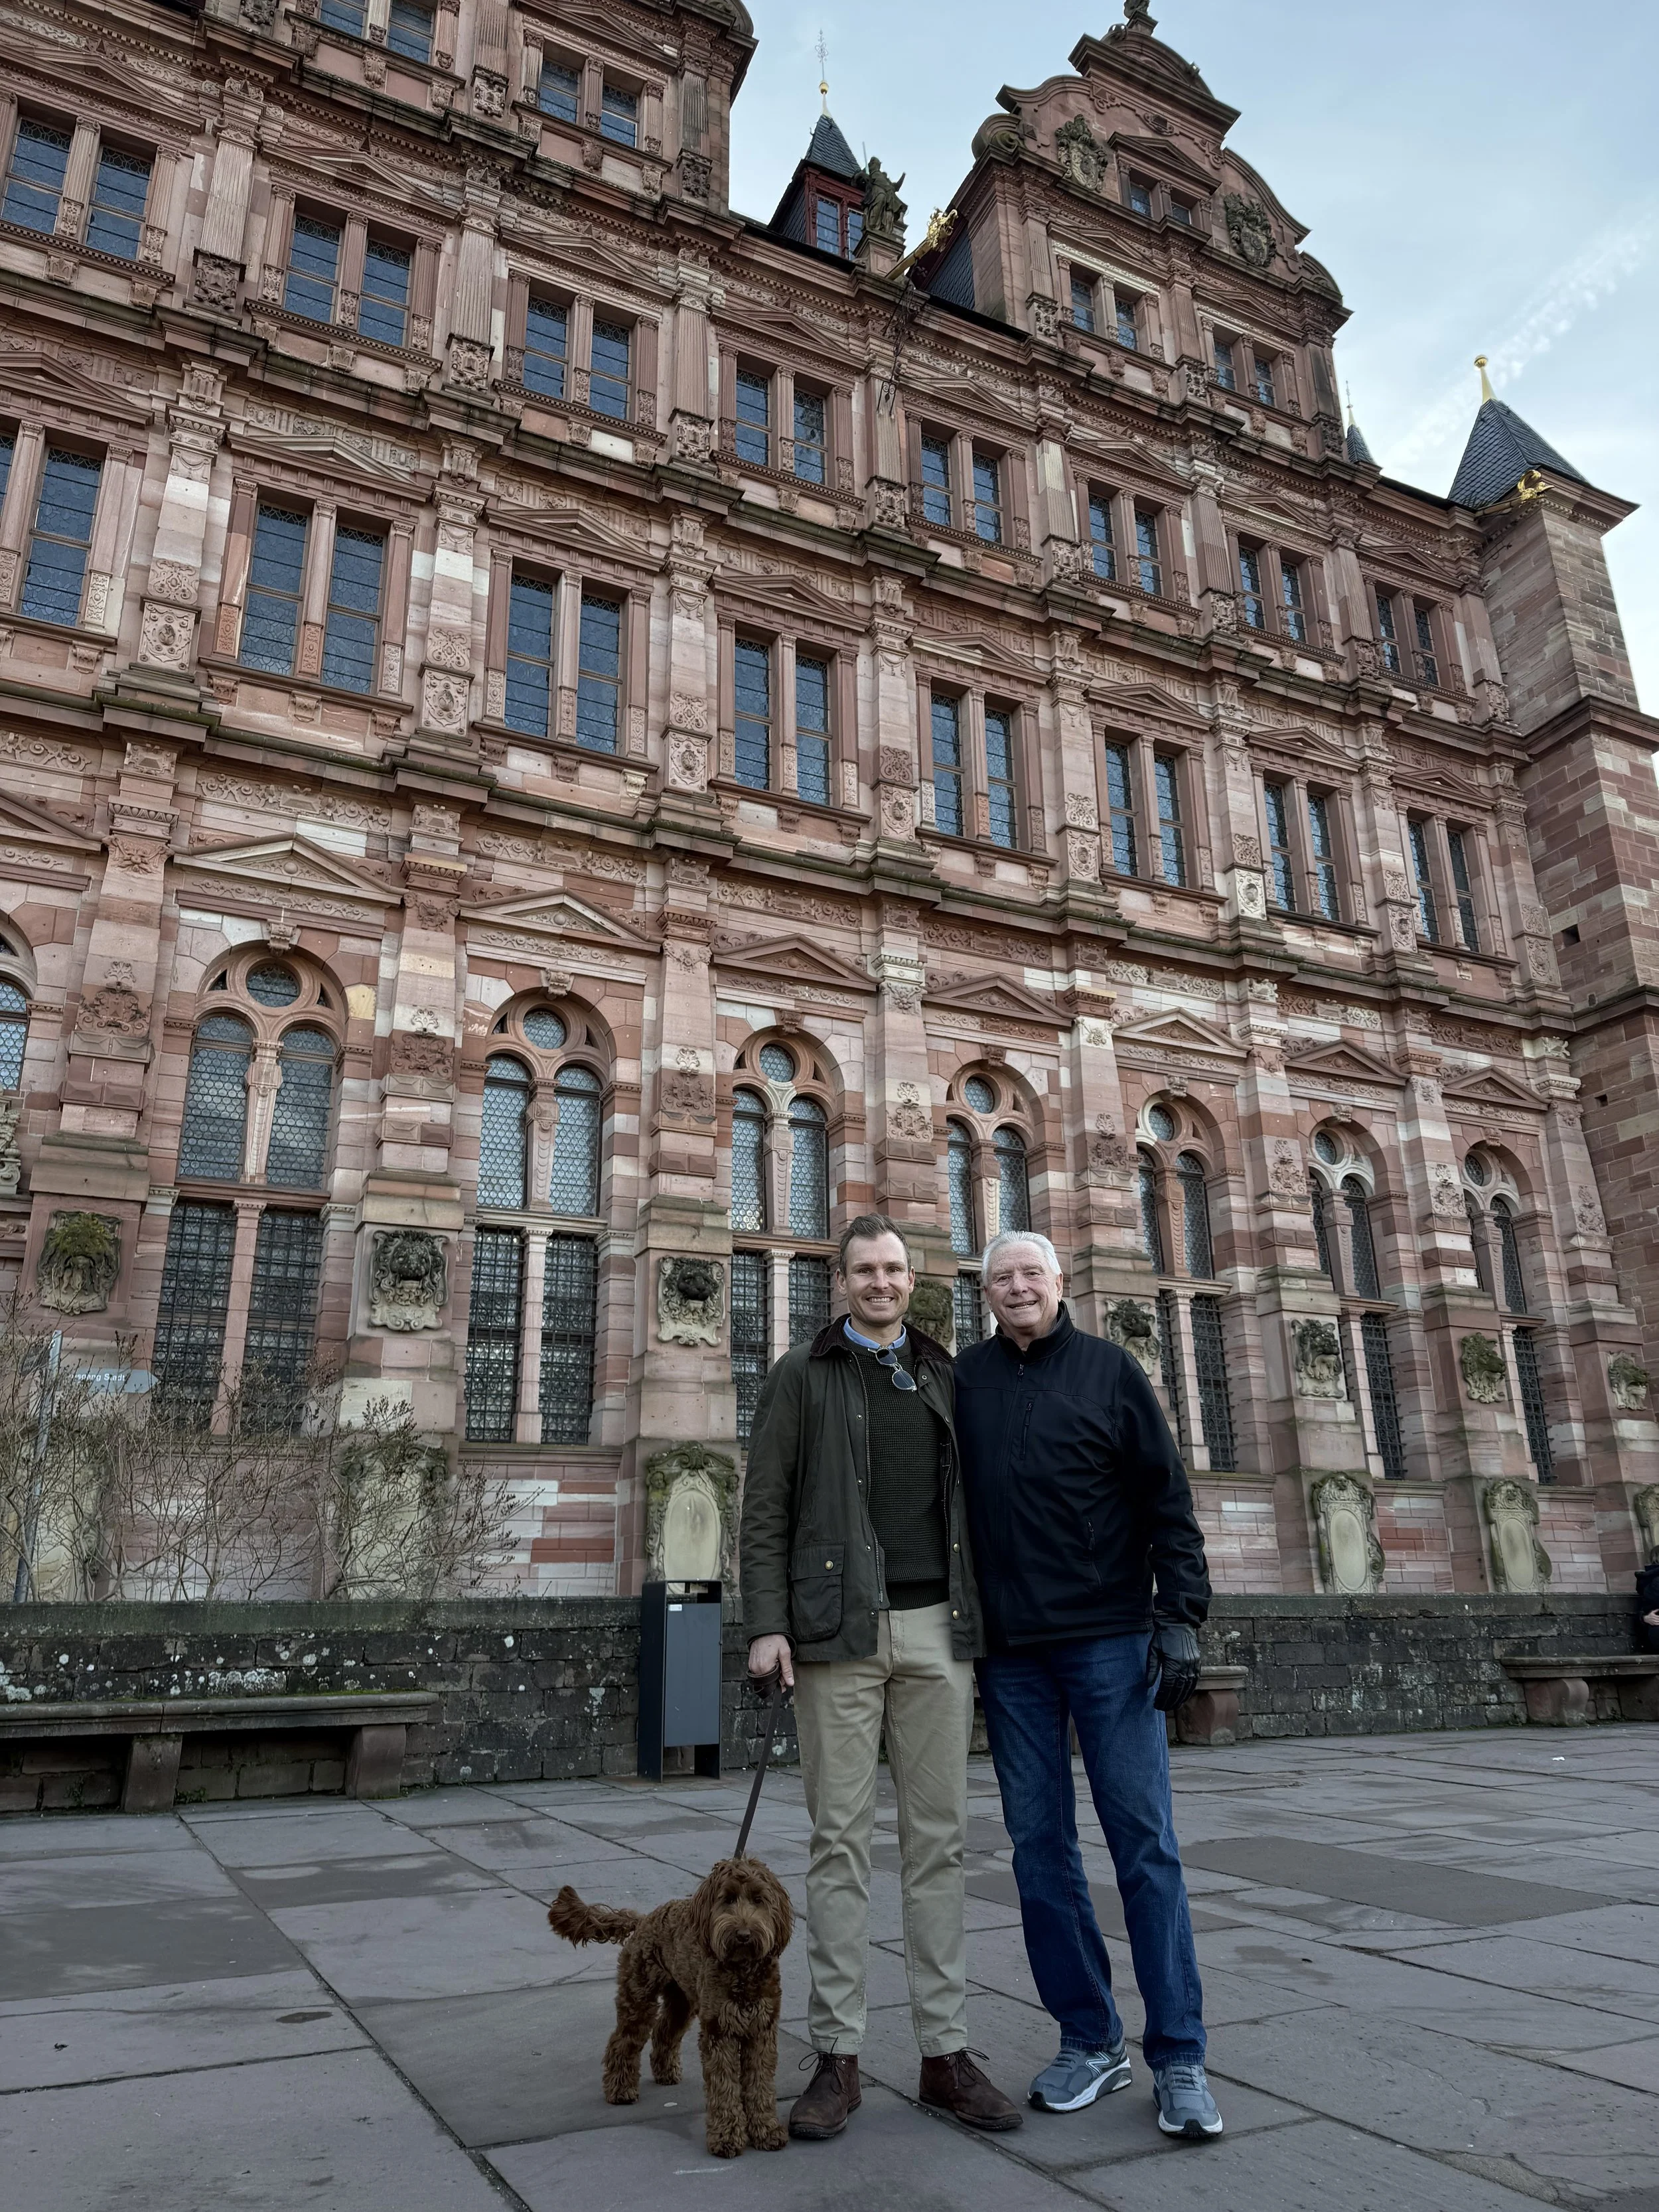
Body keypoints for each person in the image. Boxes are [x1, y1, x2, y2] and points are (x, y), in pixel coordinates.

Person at [739, 1213, 1021, 2142]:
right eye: (865, 1269)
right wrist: (767, 1626)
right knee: (839, 1844)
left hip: (940, 1629)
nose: (881, 1282)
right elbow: (766, 1507)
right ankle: (839, 2056)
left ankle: (945, 2053)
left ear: (915, 1280)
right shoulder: (802, 1375)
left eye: (895, 1268)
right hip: (837, 1630)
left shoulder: (948, 1372)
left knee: (940, 1843)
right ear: (843, 1280)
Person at [954, 1230, 1223, 2142]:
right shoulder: (967, 1382)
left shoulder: (1110, 1372)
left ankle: (1179, 2054)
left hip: (1111, 1639)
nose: (1017, 1288)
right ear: (983, 1293)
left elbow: (1166, 1498)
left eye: (1031, 1274)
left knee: (1145, 1847)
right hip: (1013, 1653)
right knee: (1039, 1853)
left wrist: (1180, 1613)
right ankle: (1090, 2038)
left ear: (1059, 1284)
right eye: (1001, 1277)